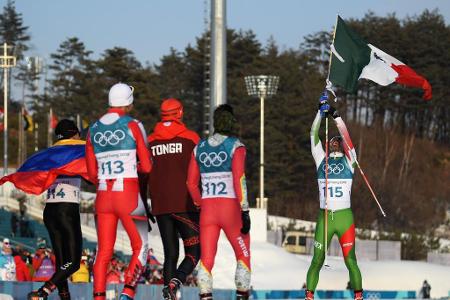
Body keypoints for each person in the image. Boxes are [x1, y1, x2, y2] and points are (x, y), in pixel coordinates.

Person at [86, 83, 151, 300]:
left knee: (103, 252)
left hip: (103, 194)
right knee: (140, 248)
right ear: (128, 102)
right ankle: (126, 294)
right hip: (128, 193)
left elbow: (92, 174)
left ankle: (98, 297)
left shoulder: (93, 128)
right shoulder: (134, 124)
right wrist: (135, 166)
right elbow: (148, 166)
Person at [187, 104, 251, 300]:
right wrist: (245, 210)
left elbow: (190, 183)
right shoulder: (236, 145)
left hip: (208, 210)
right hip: (230, 209)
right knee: (243, 256)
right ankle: (241, 296)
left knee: (206, 260)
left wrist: (200, 204)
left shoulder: (199, 147)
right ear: (231, 122)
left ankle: (205, 296)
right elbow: (239, 179)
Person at [305, 92, 363, 300]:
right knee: (317, 260)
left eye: (338, 142)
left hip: (344, 218)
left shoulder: (350, 161)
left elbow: (348, 139)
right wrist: (319, 113)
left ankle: (358, 295)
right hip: (325, 217)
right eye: (332, 141)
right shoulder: (321, 159)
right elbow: (313, 134)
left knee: (350, 261)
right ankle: (309, 295)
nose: (335, 143)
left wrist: (336, 116)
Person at [146, 98, 201, 299]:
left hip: (160, 206)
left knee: (170, 254)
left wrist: (145, 203)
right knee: (194, 252)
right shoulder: (191, 138)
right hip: (185, 204)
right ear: (180, 113)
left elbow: (143, 172)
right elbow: (202, 170)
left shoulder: (150, 141)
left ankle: (169, 295)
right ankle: (175, 282)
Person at [27, 119, 86, 300]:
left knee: (62, 263)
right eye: (78, 133)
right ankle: (43, 291)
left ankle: (64, 296)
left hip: (50, 211)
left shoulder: (50, 152)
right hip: (66, 209)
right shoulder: (78, 149)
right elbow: (92, 175)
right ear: (73, 134)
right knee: (74, 263)